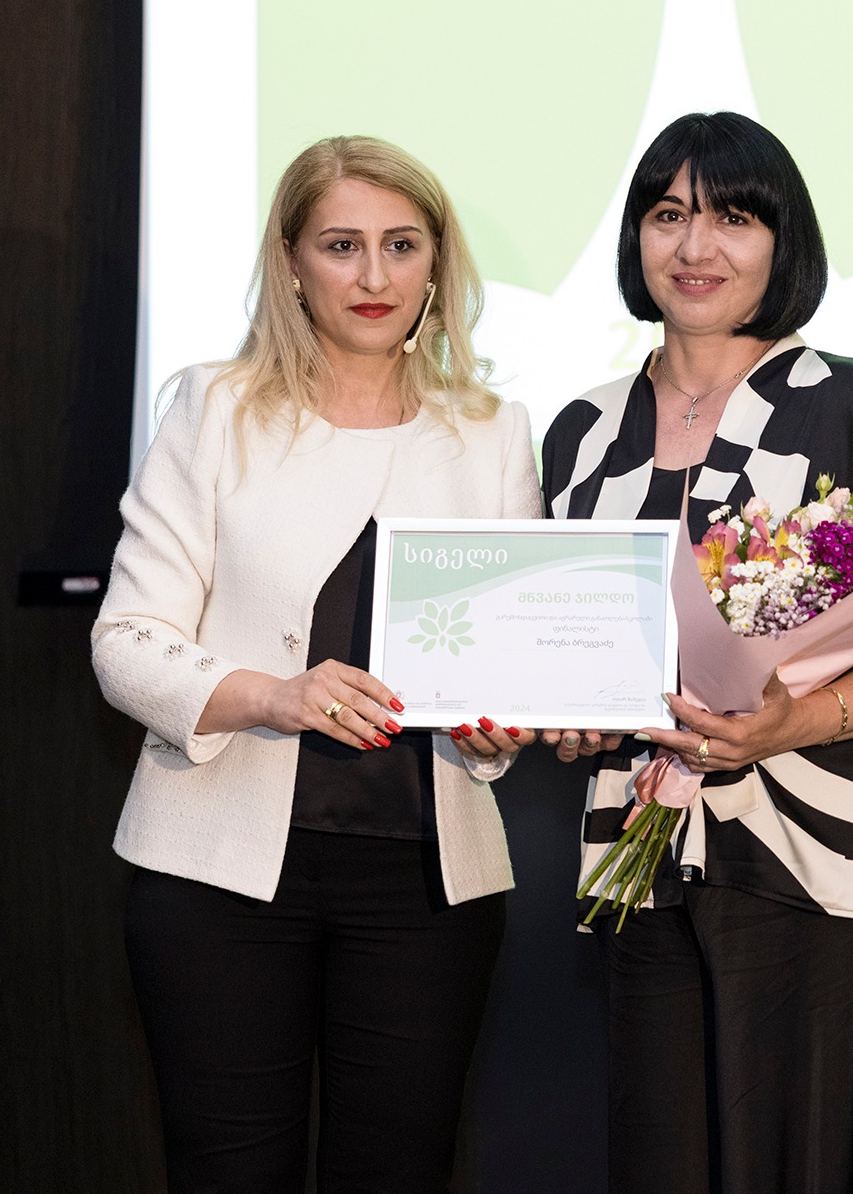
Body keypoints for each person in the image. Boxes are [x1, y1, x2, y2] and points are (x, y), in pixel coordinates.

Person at [540, 111, 853, 1194]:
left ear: (783, 243)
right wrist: (564, 715)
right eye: (668, 215)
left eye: (733, 218)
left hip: (819, 866)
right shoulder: (582, 433)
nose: (695, 247)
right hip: (639, 868)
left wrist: (792, 723)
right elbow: (571, 651)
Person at [91, 136, 539, 1193]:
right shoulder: (215, 408)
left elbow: (505, 671)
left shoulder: (492, 431)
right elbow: (125, 641)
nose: (374, 275)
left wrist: (499, 727)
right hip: (218, 879)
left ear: (437, 263)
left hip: (428, 887)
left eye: (402, 245)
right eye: (342, 245)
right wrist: (272, 695)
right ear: (291, 263)